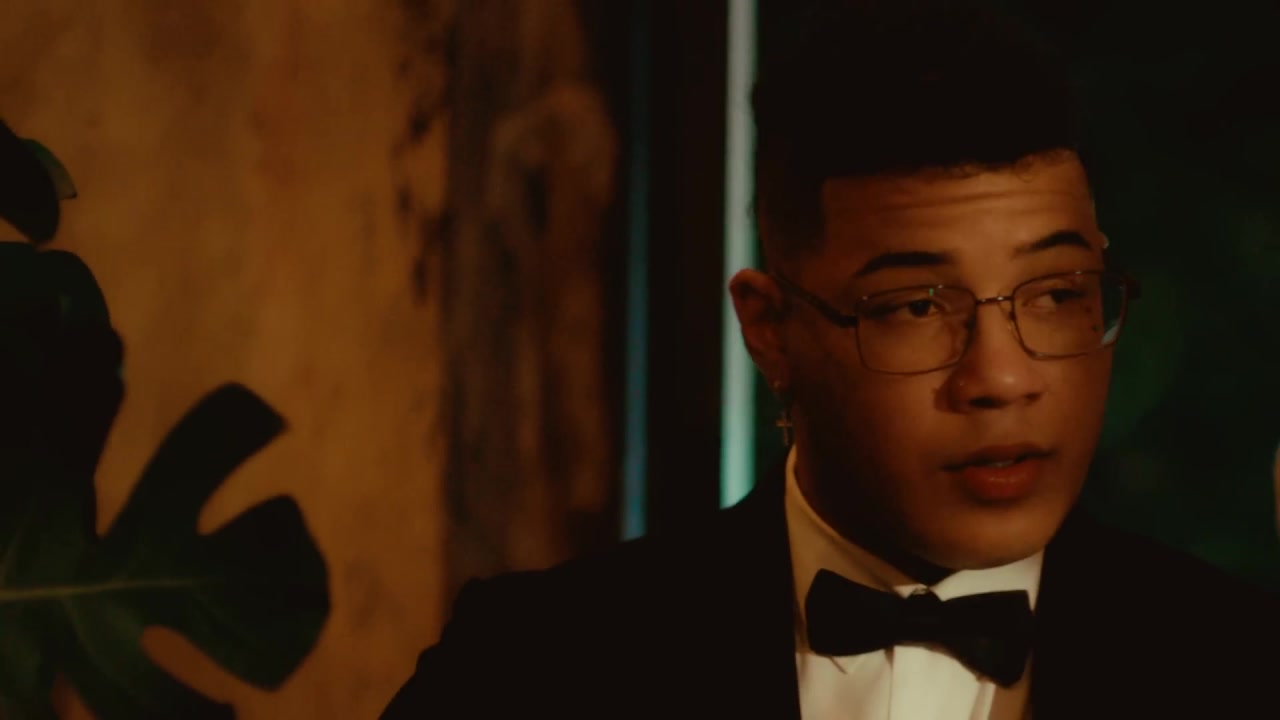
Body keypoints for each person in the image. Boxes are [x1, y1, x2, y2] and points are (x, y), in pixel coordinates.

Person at [381, 1, 1280, 717]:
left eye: (1055, 294)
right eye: (916, 307)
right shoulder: (532, 668)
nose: (1003, 380)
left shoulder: (1242, 665)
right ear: (770, 330)